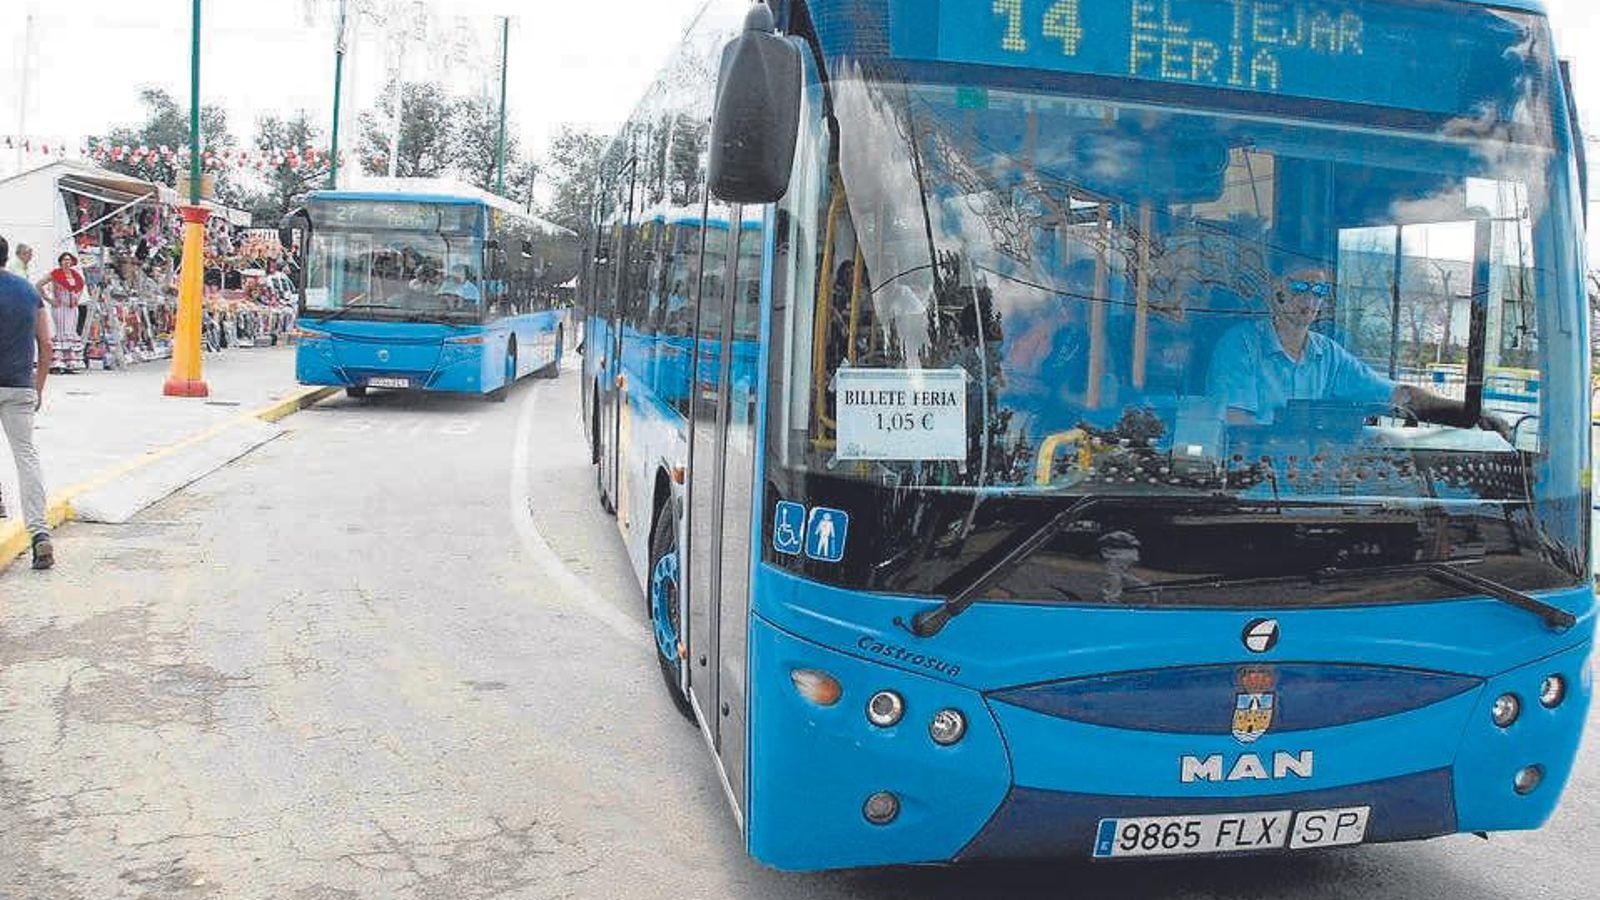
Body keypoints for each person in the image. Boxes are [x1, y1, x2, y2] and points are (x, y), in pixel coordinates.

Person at [1207, 266, 1507, 435]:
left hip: (1310, 470)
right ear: (1277, 291)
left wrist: (1470, 414)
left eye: (1320, 292)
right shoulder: (1241, 346)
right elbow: (1236, 429)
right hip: (1251, 478)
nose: (1310, 301)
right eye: (1300, 288)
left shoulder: (1328, 354)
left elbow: (1399, 396)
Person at [0, 236, 55, 569]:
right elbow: (46, 346)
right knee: (26, 456)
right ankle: (39, 535)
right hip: (20, 387)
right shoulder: (29, 292)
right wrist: (39, 387)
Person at [36, 252, 86, 373]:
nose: (67, 262)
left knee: (71, 332)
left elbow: (80, 287)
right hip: (60, 307)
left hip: (72, 308)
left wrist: (76, 299)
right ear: (60, 262)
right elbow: (39, 284)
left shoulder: (76, 275)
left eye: (69, 260)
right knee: (62, 332)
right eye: (64, 260)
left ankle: (71, 362)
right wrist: (49, 299)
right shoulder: (55, 274)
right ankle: (58, 361)